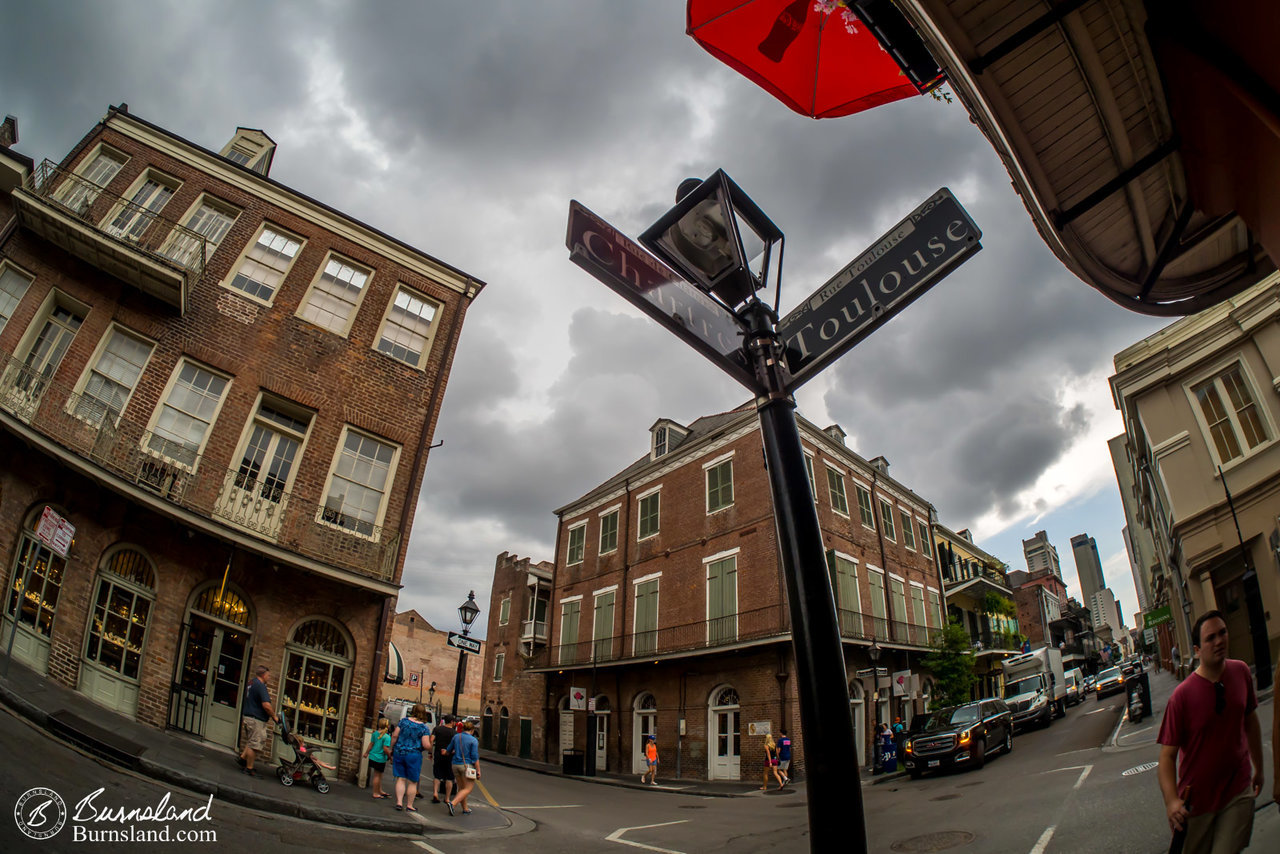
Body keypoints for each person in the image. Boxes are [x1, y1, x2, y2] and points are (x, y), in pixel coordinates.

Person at [1156, 610, 1264, 853]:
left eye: (1222, 633)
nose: (1219, 641)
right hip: (1196, 804)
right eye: (1210, 638)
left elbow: (1251, 722)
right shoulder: (1181, 697)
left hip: (1237, 791)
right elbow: (1166, 757)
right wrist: (1172, 801)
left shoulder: (1241, 672)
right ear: (1197, 649)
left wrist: (1260, 768)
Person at [237, 666, 279, 778]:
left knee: (251, 740)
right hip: (255, 719)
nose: (269, 678)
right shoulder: (260, 686)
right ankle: (248, 768)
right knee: (254, 744)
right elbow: (266, 705)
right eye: (268, 675)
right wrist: (274, 716)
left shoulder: (251, 682)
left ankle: (242, 759)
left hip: (248, 716)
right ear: (263, 675)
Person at [390, 703, 432, 812]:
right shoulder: (423, 728)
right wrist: (430, 748)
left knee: (400, 778)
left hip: (400, 752)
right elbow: (426, 745)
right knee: (413, 781)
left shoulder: (403, 721)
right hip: (414, 754)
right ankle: (409, 805)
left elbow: (395, 735)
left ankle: (399, 802)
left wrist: (391, 747)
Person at [448, 720, 481, 816]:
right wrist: (478, 771)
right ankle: (452, 803)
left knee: (462, 788)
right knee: (468, 788)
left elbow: (449, 749)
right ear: (472, 730)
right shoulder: (473, 740)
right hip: (466, 766)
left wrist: (445, 752)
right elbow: (475, 757)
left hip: (455, 765)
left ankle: (465, 808)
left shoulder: (456, 737)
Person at [363, 717, 392, 799]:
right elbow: (385, 749)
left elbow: (371, 744)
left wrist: (366, 753)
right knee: (377, 776)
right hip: (380, 758)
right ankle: (375, 793)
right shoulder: (387, 737)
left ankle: (379, 790)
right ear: (387, 726)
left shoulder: (375, 733)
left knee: (379, 775)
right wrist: (390, 757)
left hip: (373, 756)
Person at [431, 714, 457, 804]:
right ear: (452, 722)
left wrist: (430, 752)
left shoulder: (437, 729)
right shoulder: (454, 733)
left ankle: (435, 793)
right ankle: (447, 798)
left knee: (437, 775)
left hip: (438, 754)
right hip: (449, 756)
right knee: (449, 777)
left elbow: (431, 740)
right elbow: (456, 747)